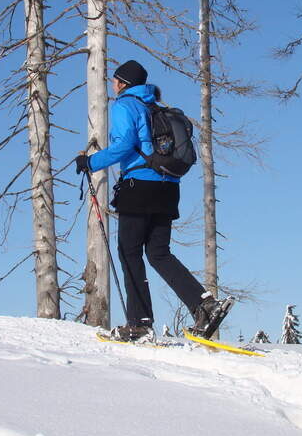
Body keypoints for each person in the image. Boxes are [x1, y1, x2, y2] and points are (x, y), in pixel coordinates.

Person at [75, 59, 222, 342]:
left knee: (129, 251)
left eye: (115, 80)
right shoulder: (156, 107)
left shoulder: (125, 105)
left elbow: (124, 145)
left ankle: (140, 323)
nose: (113, 84)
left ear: (123, 83)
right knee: (158, 253)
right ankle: (205, 305)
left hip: (138, 187)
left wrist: (90, 162)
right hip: (168, 188)